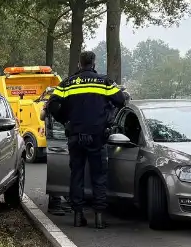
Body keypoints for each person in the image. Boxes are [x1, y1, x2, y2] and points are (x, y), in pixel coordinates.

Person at [44, 51, 128, 229]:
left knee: (77, 175)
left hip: (75, 135)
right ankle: (98, 217)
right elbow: (122, 100)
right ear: (94, 63)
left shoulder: (67, 83)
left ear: (79, 64)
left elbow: (52, 105)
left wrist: (65, 120)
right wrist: (108, 119)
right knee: (99, 176)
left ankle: (77, 215)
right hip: (98, 136)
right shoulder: (105, 82)